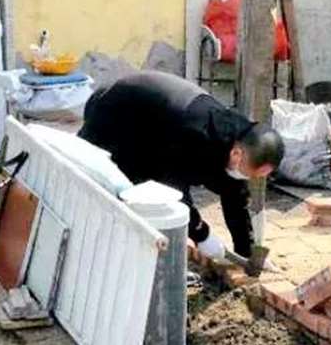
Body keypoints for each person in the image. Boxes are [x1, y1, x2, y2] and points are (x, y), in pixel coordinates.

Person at [78, 71, 284, 259]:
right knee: (105, 185)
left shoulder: (237, 139)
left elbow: (234, 194)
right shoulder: (197, 137)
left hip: (155, 128)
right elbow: (172, 191)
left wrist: (246, 252)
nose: (249, 179)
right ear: (237, 154)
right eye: (250, 174)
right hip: (114, 113)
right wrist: (202, 234)